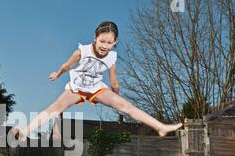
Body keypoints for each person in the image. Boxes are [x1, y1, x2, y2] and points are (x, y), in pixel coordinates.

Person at [13, 21, 183, 140]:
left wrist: (117, 100)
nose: (105, 46)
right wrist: (57, 74)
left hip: (96, 88)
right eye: (102, 41)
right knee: (55, 108)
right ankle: (24, 131)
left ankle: (160, 127)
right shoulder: (82, 51)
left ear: (115, 42)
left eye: (109, 43)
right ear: (95, 37)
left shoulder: (111, 58)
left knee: (127, 106)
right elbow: (67, 66)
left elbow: (115, 83)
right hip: (77, 87)